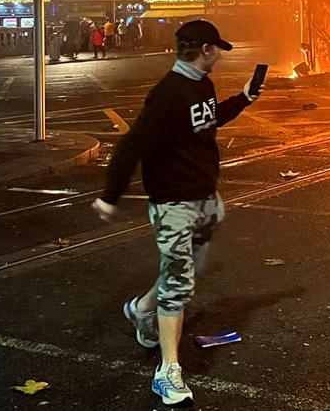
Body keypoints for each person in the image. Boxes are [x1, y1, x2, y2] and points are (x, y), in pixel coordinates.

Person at [91, 20, 261, 405]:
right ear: (204, 50)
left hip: (203, 200)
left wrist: (245, 98)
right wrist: (110, 196)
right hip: (174, 204)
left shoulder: (202, 84)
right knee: (180, 284)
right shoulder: (167, 95)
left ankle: (140, 309)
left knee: (181, 272)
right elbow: (132, 145)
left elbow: (209, 119)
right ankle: (168, 372)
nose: (220, 53)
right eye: (217, 48)